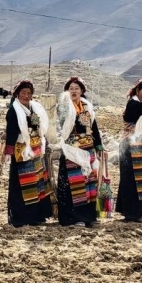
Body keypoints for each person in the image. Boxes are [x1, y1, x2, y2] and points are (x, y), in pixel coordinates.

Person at [0, 79, 52, 227]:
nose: (26, 96)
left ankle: (37, 215)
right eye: (23, 93)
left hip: (36, 149)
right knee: (23, 184)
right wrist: (8, 151)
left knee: (38, 181)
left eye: (29, 93)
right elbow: (11, 132)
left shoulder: (34, 109)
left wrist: (44, 141)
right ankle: (22, 217)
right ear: (17, 93)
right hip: (21, 152)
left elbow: (39, 128)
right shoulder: (13, 111)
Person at [55, 76, 104, 227]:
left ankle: (89, 216)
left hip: (87, 149)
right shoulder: (64, 106)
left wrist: (98, 146)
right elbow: (62, 125)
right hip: (71, 150)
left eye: (76, 88)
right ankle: (74, 217)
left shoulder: (87, 106)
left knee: (88, 183)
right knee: (74, 183)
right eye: (70, 88)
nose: (73, 91)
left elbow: (93, 127)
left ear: (82, 91)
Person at [116, 77, 142, 222]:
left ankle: (133, 210)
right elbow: (141, 108)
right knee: (132, 180)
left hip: (138, 145)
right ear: (137, 90)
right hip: (129, 146)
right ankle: (133, 213)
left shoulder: (140, 105)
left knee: (137, 178)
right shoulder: (133, 104)